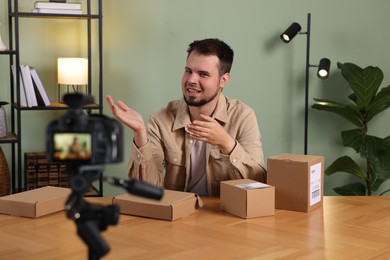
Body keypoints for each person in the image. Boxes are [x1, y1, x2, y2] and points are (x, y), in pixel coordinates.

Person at [106, 38, 266, 196]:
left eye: (203, 74)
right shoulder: (160, 119)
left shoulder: (243, 116)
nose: (191, 80)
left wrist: (227, 143)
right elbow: (146, 190)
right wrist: (140, 134)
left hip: (226, 213)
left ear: (223, 80)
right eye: (188, 71)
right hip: (178, 213)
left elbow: (258, 185)